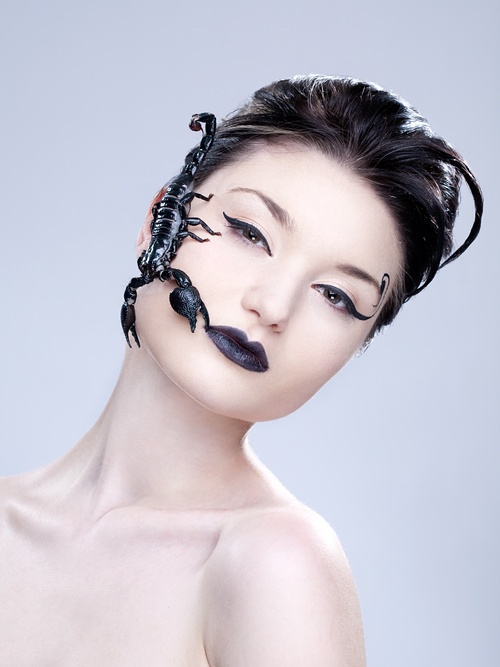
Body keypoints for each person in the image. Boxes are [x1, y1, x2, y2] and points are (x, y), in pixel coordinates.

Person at [0, 75, 482, 666]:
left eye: (335, 296)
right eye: (251, 232)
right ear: (160, 217)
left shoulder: (276, 563)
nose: (273, 307)